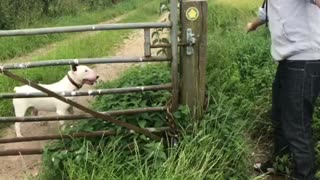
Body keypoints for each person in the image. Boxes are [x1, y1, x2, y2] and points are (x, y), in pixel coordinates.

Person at [247, 0, 320, 179]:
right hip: (288, 62)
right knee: (279, 116)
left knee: (298, 127)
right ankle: (280, 163)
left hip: (304, 60)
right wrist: (252, 25)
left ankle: (305, 175)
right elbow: (266, 14)